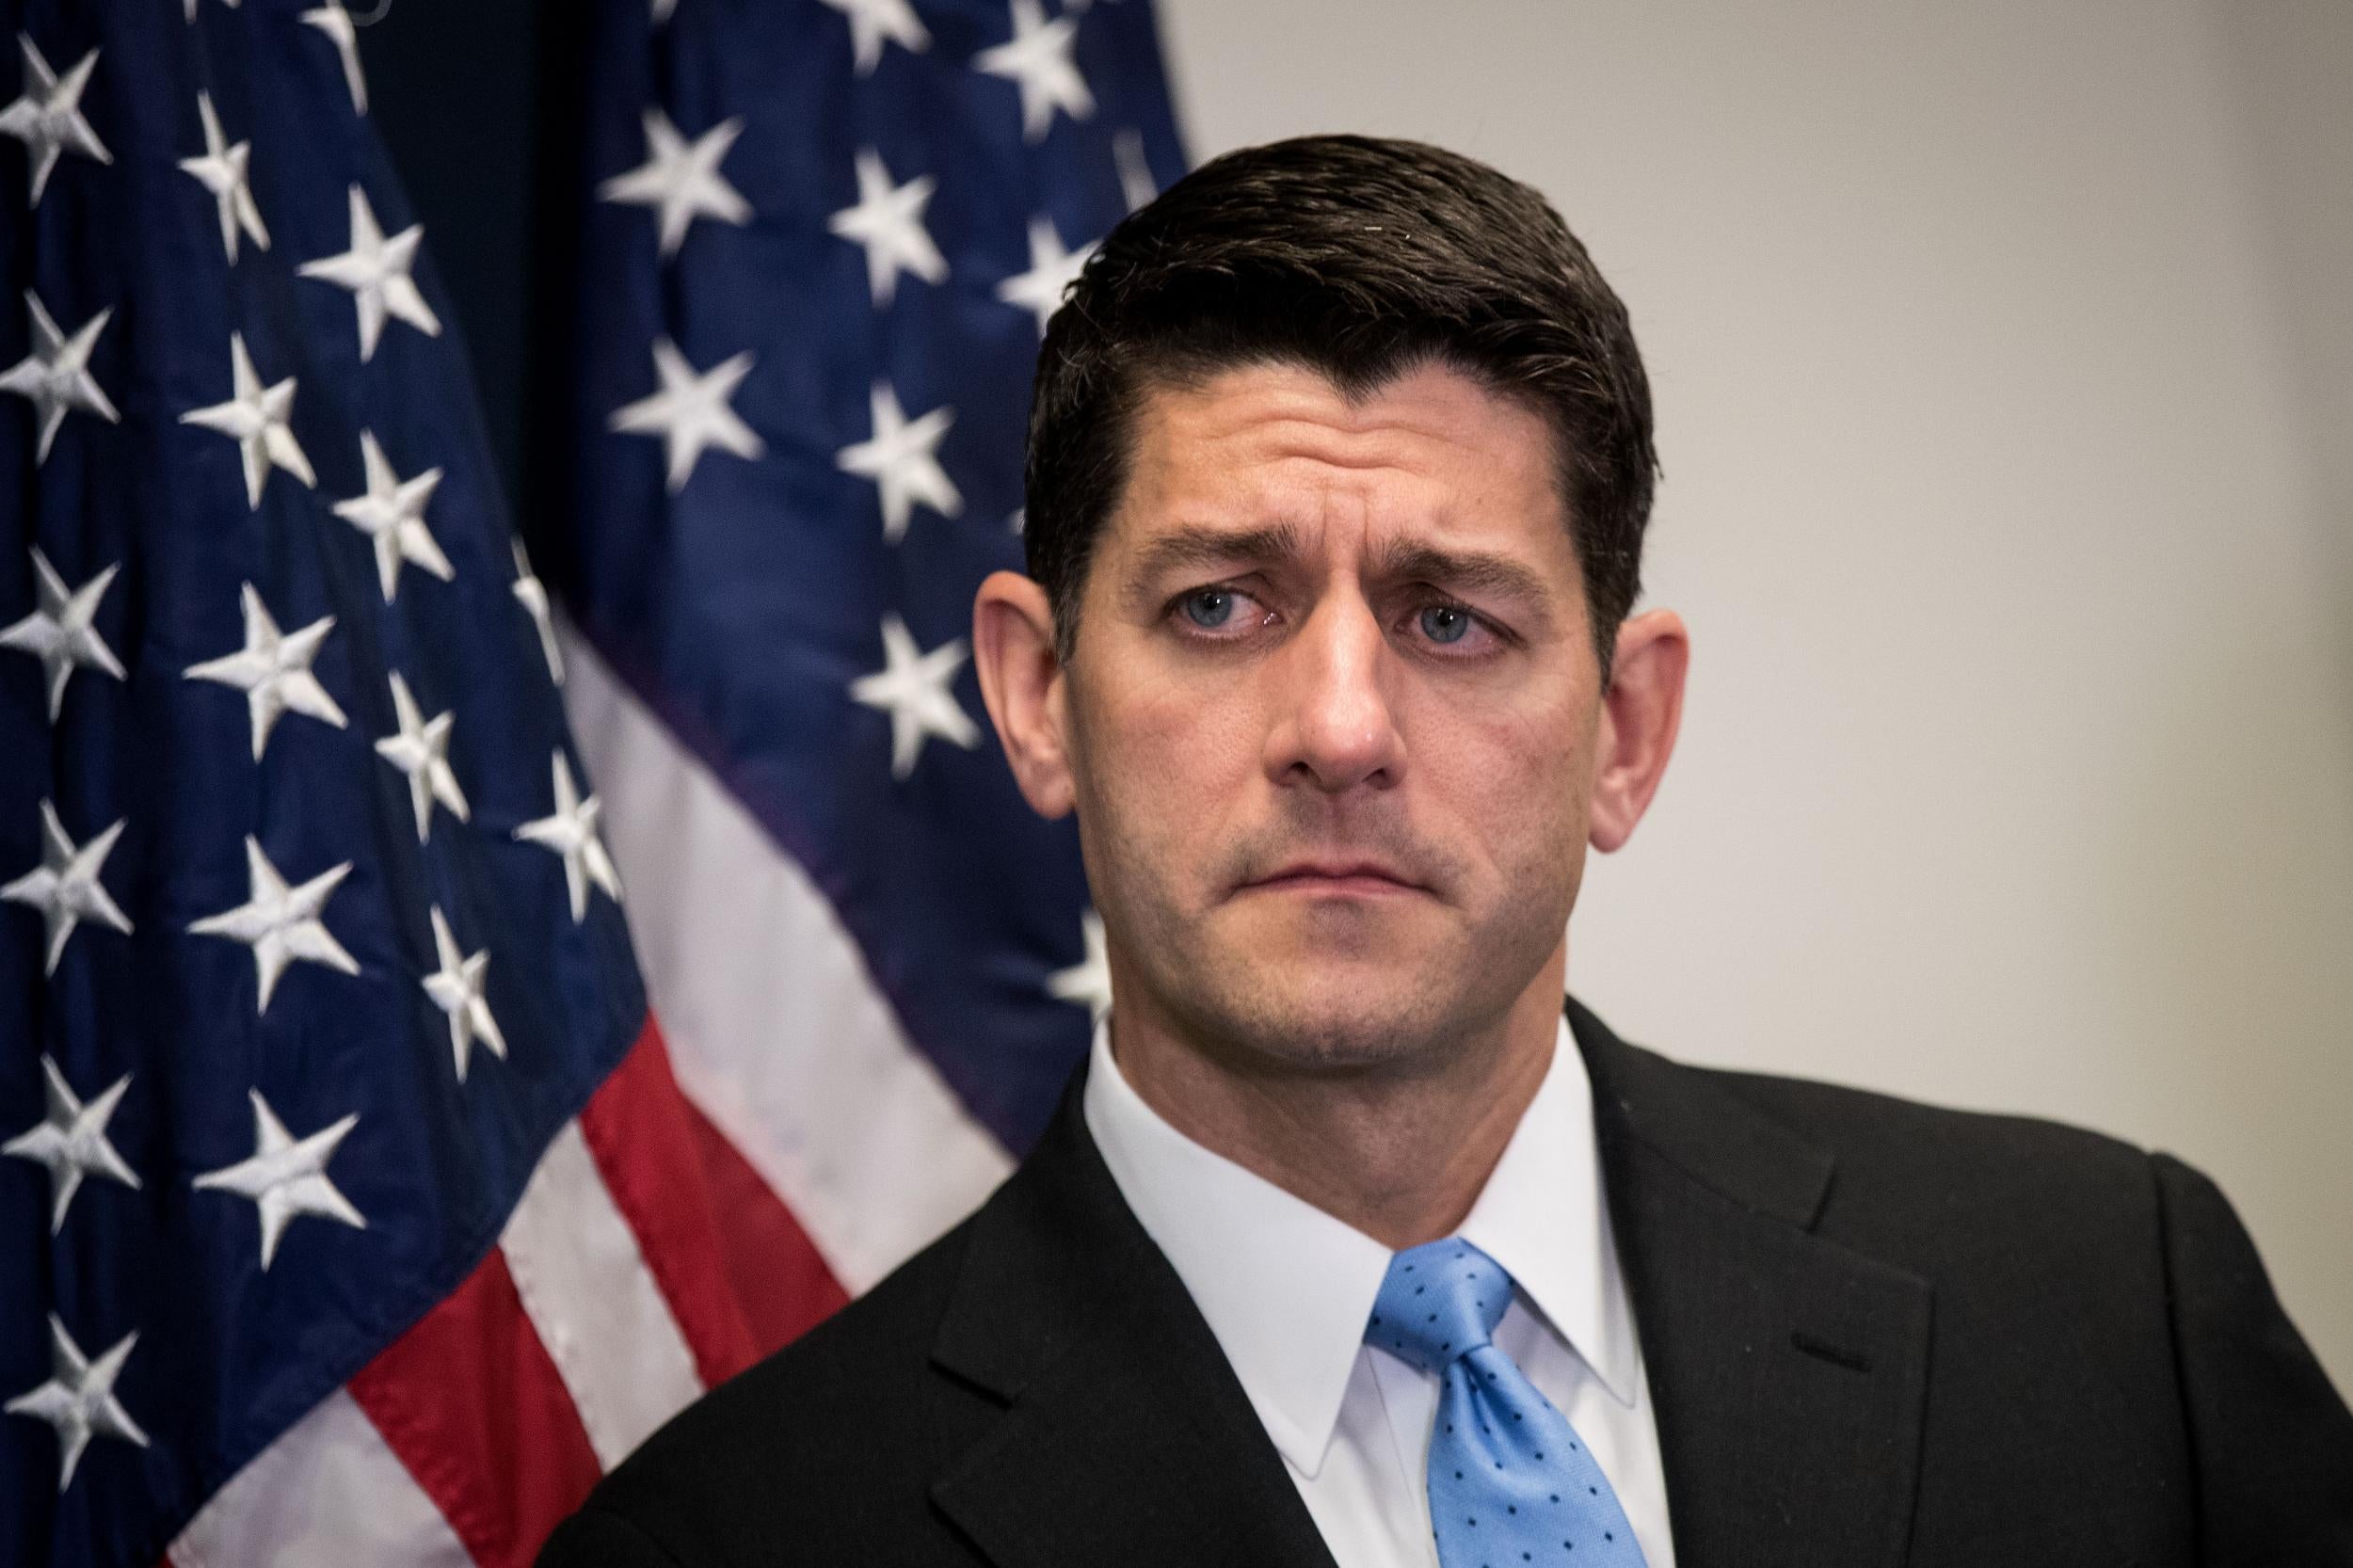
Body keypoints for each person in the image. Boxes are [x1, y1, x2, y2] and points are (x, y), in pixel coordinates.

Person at [537, 134, 2353, 1568]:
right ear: (1034, 695)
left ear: (1625, 734)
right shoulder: (728, 1538)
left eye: (1453, 617)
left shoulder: (2119, 1312)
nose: (1340, 726)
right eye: (1221, 601)